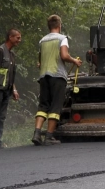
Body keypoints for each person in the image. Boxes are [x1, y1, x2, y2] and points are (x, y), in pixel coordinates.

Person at [32, 15, 82, 146]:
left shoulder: (42, 41)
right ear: (59, 26)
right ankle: (49, 136)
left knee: (43, 105)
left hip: (43, 76)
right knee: (56, 105)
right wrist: (74, 61)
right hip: (57, 76)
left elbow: (40, 61)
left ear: (49, 26)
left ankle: (37, 133)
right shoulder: (62, 38)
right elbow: (64, 56)